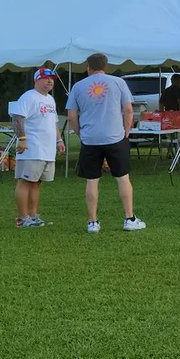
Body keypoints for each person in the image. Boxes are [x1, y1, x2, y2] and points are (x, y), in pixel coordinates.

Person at [66, 53, 146, 233]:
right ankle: (129, 219)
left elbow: (72, 115)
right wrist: (126, 132)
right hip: (115, 137)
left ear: (88, 67)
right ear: (105, 66)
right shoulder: (118, 82)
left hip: (90, 139)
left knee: (92, 180)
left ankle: (92, 222)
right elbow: (128, 110)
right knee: (122, 178)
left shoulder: (78, 86)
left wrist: (81, 133)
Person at [11, 67, 65, 228]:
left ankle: (33, 215)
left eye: (52, 79)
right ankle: (22, 218)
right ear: (37, 80)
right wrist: (22, 139)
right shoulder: (28, 97)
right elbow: (17, 118)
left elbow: (53, 122)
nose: (50, 81)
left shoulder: (50, 99)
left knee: (36, 182)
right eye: (45, 78)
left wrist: (59, 140)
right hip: (32, 149)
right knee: (25, 181)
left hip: (47, 150)